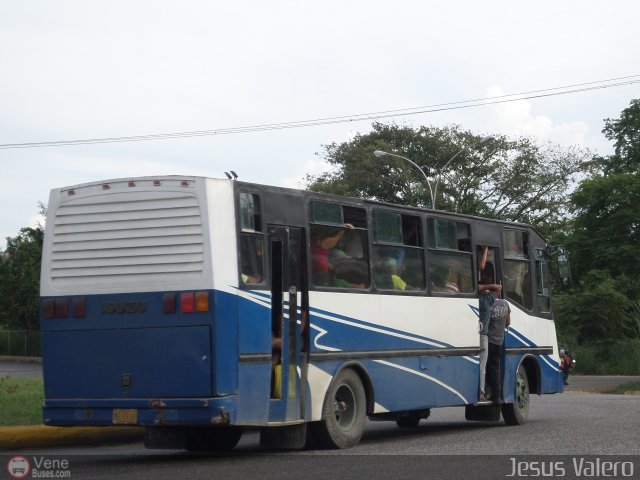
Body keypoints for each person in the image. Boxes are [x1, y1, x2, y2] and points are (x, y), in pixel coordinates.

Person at [478, 246, 502, 402]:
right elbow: (499, 287)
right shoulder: (489, 300)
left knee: (484, 365)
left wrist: (482, 287)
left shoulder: (481, 300)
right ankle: (483, 392)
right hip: (484, 335)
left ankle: (483, 391)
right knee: (483, 366)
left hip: (481, 334)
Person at [485, 295, 511, 402]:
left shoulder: (489, 304)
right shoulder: (505, 303)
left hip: (489, 341)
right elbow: (508, 322)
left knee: (489, 368)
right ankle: (496, 394)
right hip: (499, 341)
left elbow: (485, 322)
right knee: (495, 368)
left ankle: (493, 394)